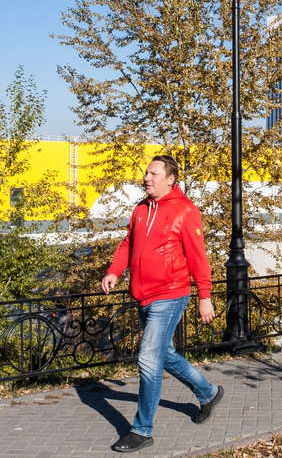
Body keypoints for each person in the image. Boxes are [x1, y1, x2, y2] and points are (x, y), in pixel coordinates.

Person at [101, 155, 223, 453]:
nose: (146, 177)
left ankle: (142, 430)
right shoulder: (140, 209)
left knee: (148, 359)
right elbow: (128, 244)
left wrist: (204, 297)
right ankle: (208, 393)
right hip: (144, 295)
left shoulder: (186, 211)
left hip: (170, 294)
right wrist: (114, 270)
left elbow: (198, 257)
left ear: (170, 179)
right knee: (164, 355)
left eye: (153, 173)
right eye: (146, 172)